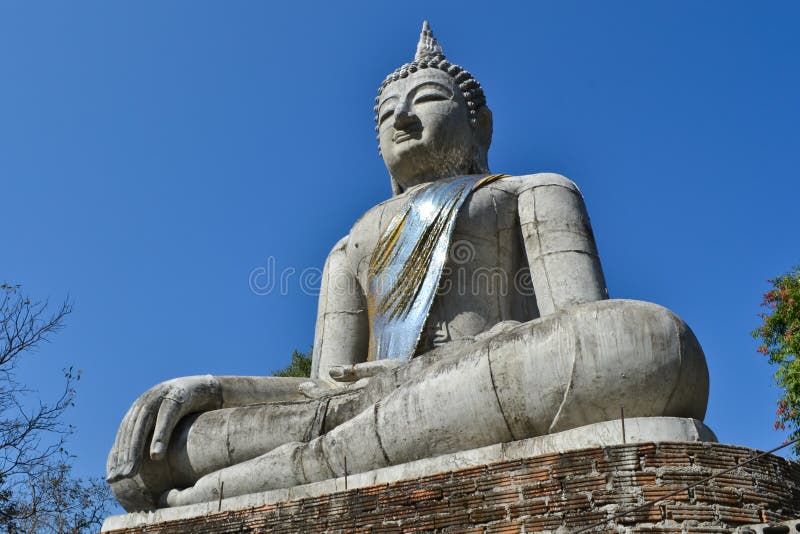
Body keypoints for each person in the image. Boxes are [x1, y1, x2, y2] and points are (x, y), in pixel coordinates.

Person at [107, 22, 709, 511]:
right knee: (186, 438)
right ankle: (286, 464)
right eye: (387, 114)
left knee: (641, 345)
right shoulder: (349, 247)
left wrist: (460, 362)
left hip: (486, 378)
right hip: (359, 408)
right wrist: (214, 391)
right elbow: (324, 389)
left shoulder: (534, 191)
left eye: (426, 101)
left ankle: (231, 488)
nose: (403, 120)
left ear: (480, 124)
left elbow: (582, 323)